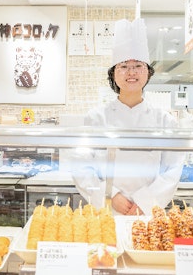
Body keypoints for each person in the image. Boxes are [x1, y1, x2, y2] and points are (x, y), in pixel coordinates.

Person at [72, 18, 184, 215]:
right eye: (123, 66)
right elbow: (82, 167)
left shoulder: (165, 121)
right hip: (106, 210)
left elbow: (172, 171)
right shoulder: (95, 118)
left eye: (138, 66)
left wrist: (146, 202)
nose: (131, 72)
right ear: (113, 74)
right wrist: (110, 195)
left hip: (147, 212)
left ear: (148, 73)